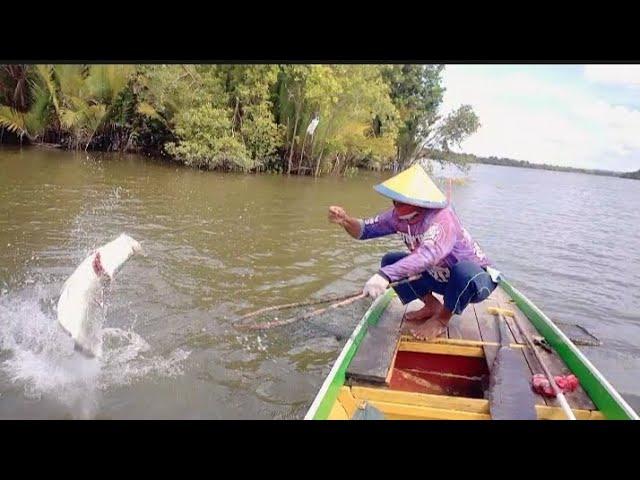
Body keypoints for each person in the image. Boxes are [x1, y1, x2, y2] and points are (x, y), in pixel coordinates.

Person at [328, 163, 499, 340]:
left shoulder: (442, 218)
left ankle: (441, 319)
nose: (395, 205)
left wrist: (384, 276)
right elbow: (364, 230)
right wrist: (345, 220)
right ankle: (432, 306)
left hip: (473, 282)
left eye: (399, 201)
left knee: (464, 272)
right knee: (390, 260)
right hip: (439, 277)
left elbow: (428, 255)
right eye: (395, 201)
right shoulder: (397, 216)